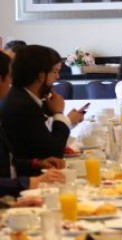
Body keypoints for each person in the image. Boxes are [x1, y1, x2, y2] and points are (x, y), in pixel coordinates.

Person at [0, 45, 80, 175]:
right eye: (55, 71)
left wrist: (36, 163)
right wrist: (59, 114)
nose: (58, 77)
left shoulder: (24, 98)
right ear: (41, 76)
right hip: (23, 181)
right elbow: (53, 152)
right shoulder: (23, 105)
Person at [0, 52, 64, 197]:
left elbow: (7, 161)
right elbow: (54, 150)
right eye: (9, 76)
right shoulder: (20, 104)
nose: (11, 83)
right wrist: (29, 182)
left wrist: (36, 163)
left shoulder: (18, 99)